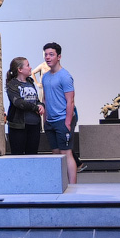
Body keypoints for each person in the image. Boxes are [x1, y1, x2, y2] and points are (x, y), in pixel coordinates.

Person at [40, 43, 78, 183]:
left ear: (59, 57)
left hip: (63, 120)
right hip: (50, 121)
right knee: (55, 154)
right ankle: (60, 184)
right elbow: (44, 98)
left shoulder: (65, 76)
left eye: (51, 54)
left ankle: (73, 186)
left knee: (66, 153)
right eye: (46, 54)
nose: (48, 57)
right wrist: (45, 120)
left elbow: (70, 101)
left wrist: (68, 122)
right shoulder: (45, 77)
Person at [4, 57, 43, 155]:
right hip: (18, 126)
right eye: (28, 65)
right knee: (18, 155)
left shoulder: (30, 82)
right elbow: (18, 102)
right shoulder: (12, 84)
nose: (30, 68)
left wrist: (41, 105)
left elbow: (35, 100)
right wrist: (35, 107)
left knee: (32, 154)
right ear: (20, 69)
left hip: (34, 125)